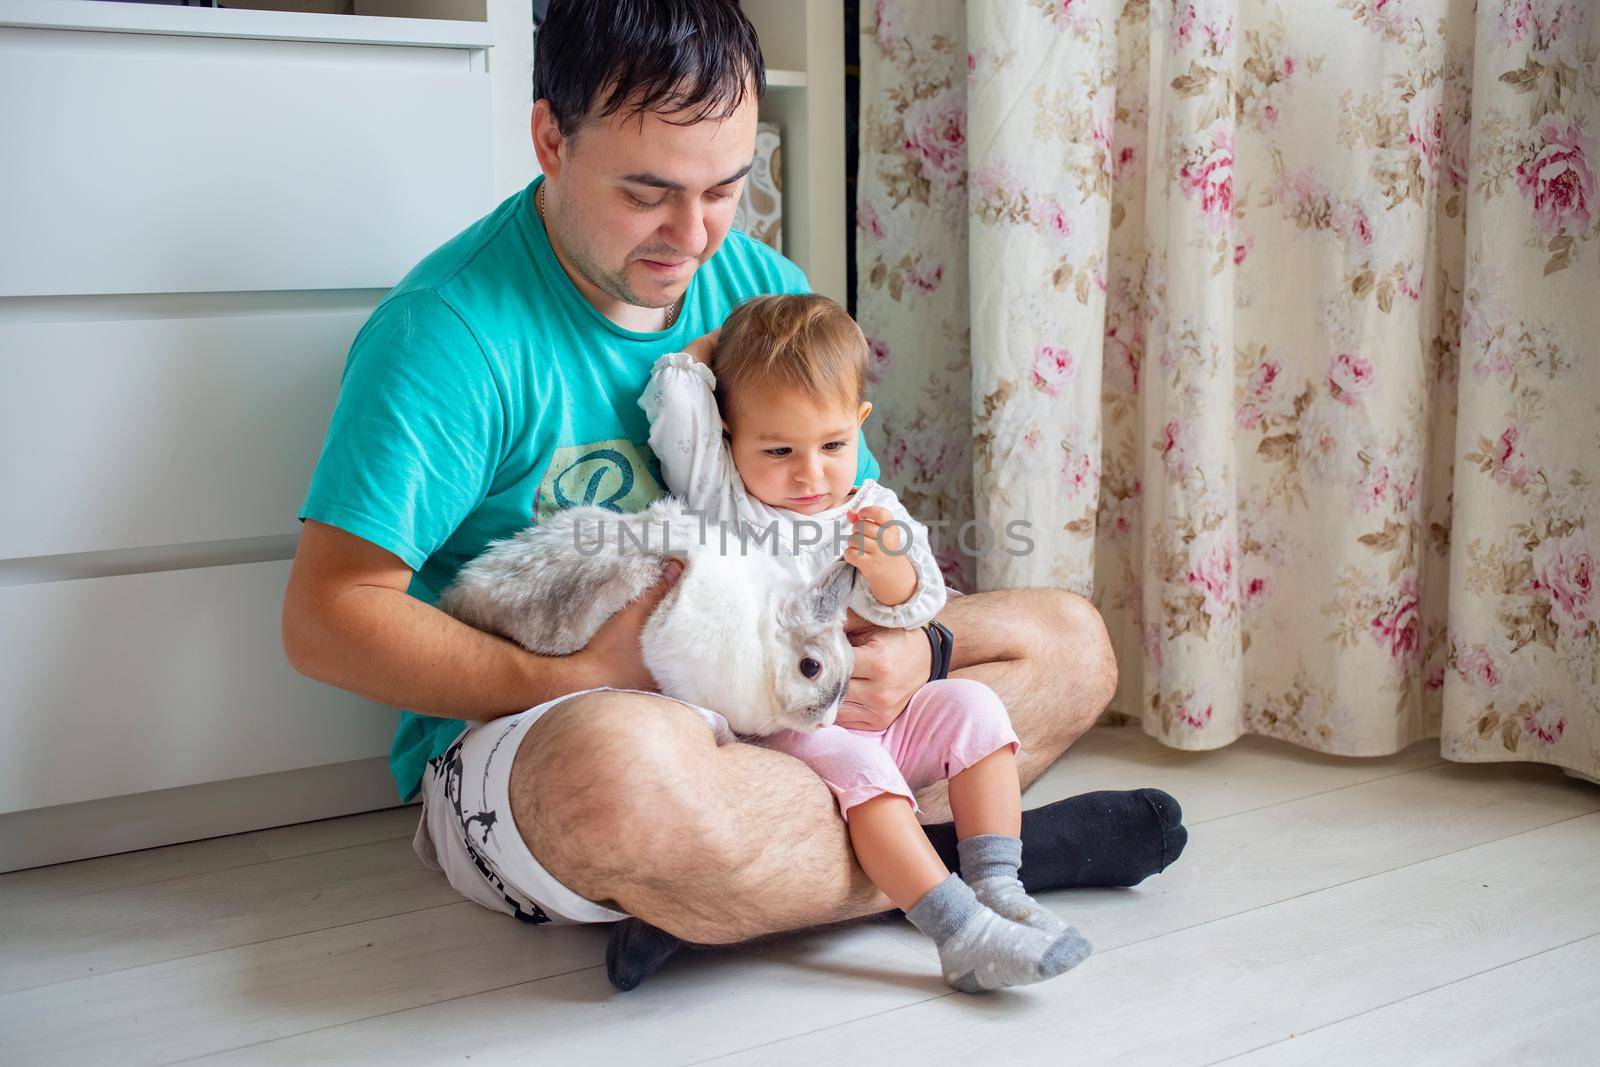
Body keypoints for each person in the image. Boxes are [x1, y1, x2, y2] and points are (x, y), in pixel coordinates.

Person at [281, 0, 1186, 992]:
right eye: (647, 192)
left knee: (1067, 640)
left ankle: (732, 896)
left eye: (726, 187)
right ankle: (1002, 854)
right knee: (616, 779)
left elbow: (840, 514)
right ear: (550, 137)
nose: (693, 234)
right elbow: (328, 617)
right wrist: (579, 671)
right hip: (567, 719)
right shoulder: (447, 332)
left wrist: (899, 647)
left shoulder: (758, 286)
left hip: (790, 693)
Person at [638, 293, 1093, 991]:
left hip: (885, 711)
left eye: (831, 446)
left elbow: (923, 602)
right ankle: (957, 931)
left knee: (976, 708)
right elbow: (674, 386)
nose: (809, 474)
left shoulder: (871, 507)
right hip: (791, 728)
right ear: (729, 434)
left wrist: (886, 566)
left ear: (859, 426)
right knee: (863, 769)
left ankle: (999, 888)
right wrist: (725, 346)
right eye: (778, 450)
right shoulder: (720, 494)